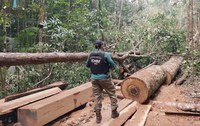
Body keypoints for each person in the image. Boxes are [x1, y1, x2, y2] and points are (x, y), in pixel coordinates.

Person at [86, 40, 119, 124]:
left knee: (97, 96)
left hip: (94, 78)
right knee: (112, 93)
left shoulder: (90, 54)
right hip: (105, 78)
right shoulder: (105, 54)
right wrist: (107, 66)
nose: (104, 46)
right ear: (101, 46)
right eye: (103, 45)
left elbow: (87, 65)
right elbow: (113, 65)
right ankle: (114, 112)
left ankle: (98, 117)